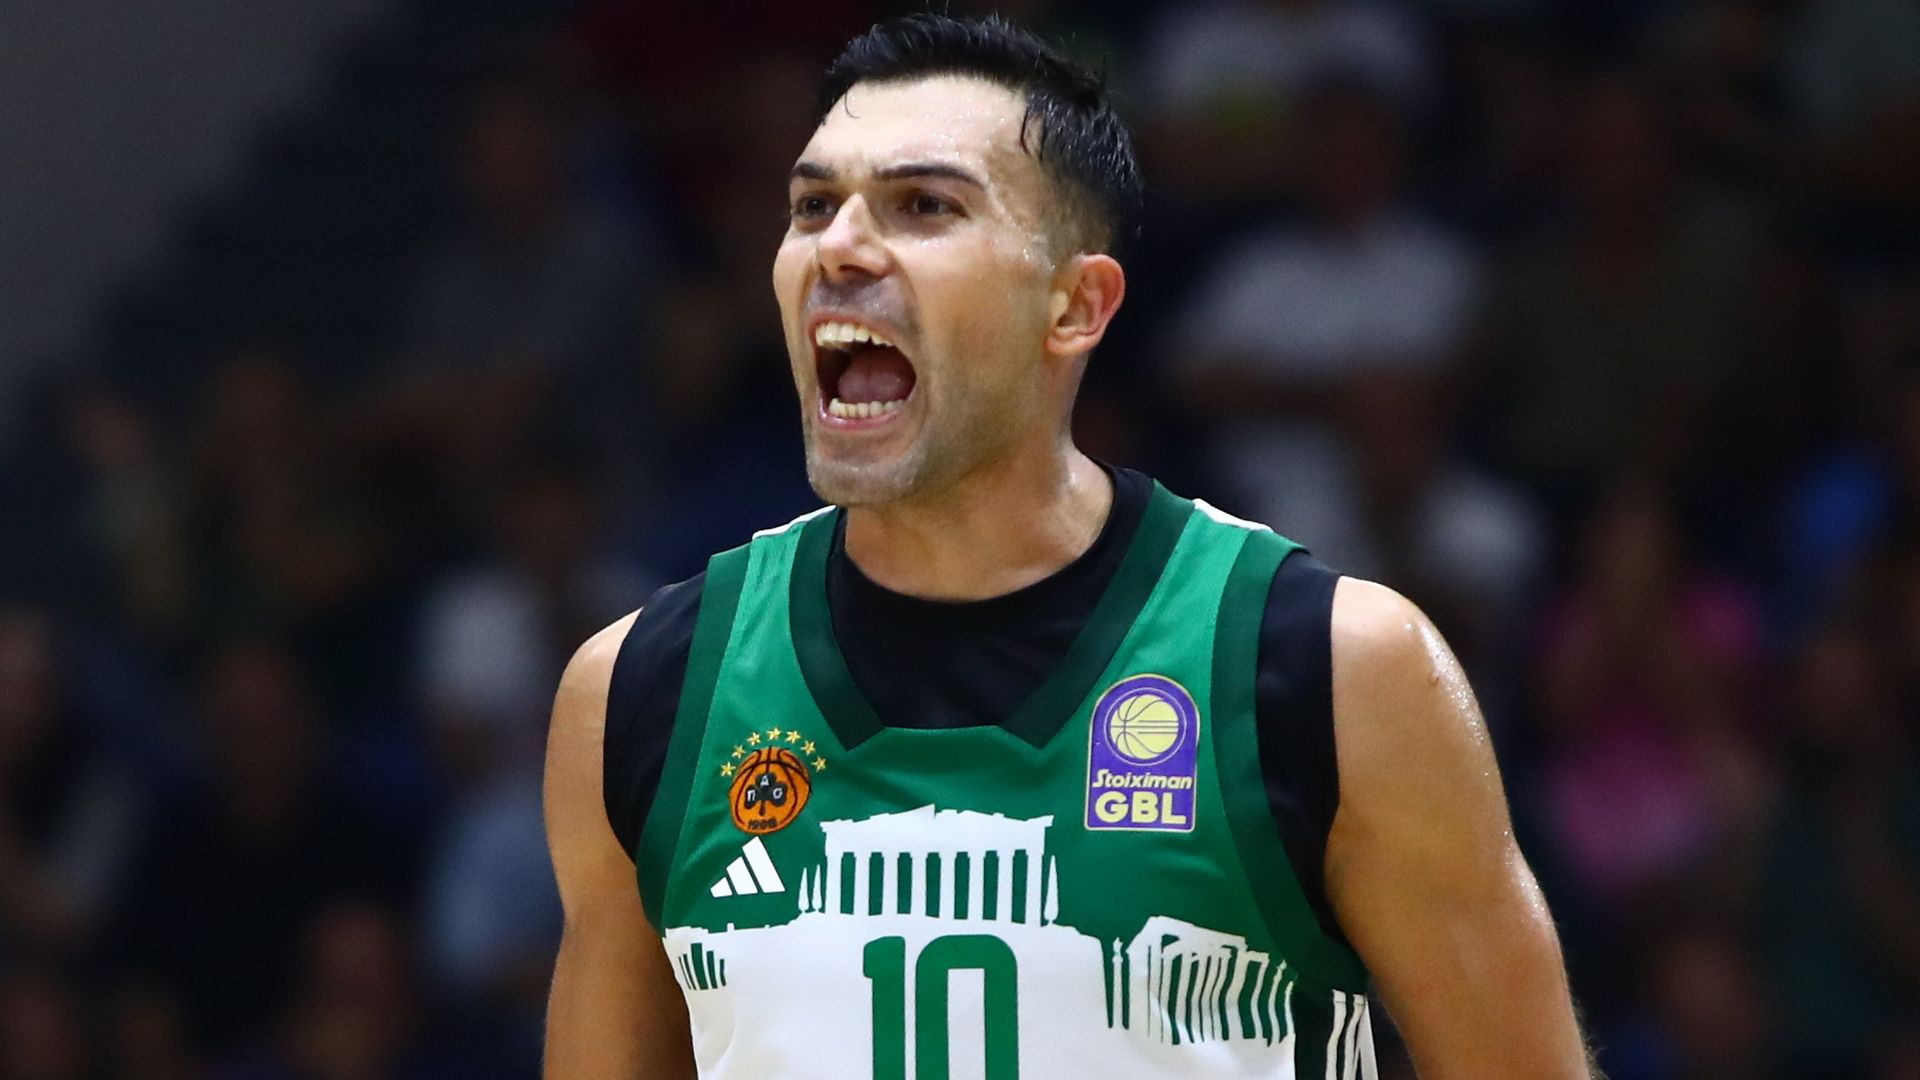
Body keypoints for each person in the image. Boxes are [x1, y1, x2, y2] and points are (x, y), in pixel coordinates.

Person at [543, 14, 1593, 1078]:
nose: (838, 247)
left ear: (1075, 306)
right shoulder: (643, 689)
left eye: (924, 206)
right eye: (813, 206)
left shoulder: (1332, 668)